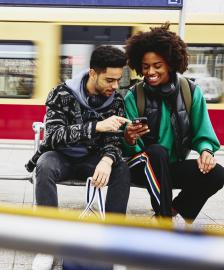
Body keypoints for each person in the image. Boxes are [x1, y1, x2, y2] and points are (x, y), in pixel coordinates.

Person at [25, 45, 131, 270]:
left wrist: (108, 159)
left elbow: (114, 141)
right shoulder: (61, 93)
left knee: (121, 168)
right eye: (109, 80)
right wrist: (96, 127)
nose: (114, 86)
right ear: (93, 73)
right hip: (61, 157)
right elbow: (53, 136)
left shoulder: (116, 101)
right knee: (44, 166)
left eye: (117, 80)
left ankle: (114, 244)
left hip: (92, 159)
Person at [123, 23, 224, 223]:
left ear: (170, 63)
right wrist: (129, 138)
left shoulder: (191, 92)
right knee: (157, 152)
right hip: (140, 166)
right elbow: (128, 148)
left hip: (171, 166)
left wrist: (206, 151)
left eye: (157, 65)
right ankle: (164, 220)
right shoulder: (134, 96)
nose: (150, 71)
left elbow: (203, 133)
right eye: (145, 66)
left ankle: (172, 210)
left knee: (218, 173)